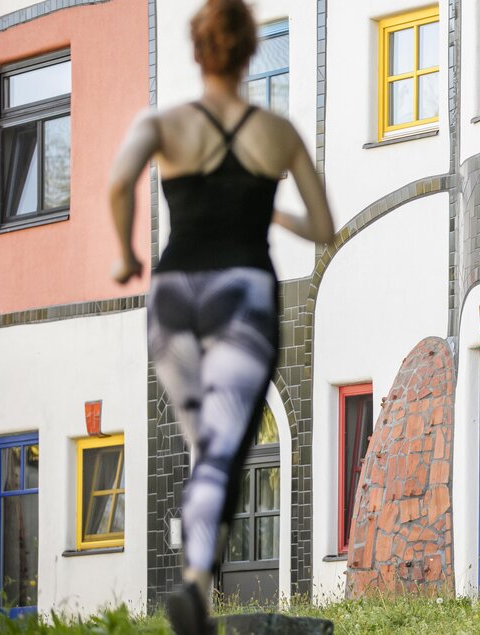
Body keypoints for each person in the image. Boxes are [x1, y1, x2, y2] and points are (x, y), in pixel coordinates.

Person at [108, 0, 335, 631]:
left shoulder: (163, 123)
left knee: (204, 449)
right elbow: (322, 226)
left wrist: (125, 255)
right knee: (220, 451)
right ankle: (195, 586)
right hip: (242, 294)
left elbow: (117, 182)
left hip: (173, 294)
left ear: (198, 48)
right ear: (247, 52)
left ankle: (199, 595)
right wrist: (272, 214)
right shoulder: (278, 132)